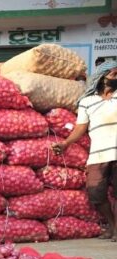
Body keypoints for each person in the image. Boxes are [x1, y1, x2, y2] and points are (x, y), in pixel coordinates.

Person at [52, 60, 117, 240]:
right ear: (100, 77)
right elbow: (80, 128)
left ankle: (116, 229)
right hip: (99, 154)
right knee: (95, 193)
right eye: (113, 74)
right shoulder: (87, 102)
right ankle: (112, 225)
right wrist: (65, 144)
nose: (115, 78)